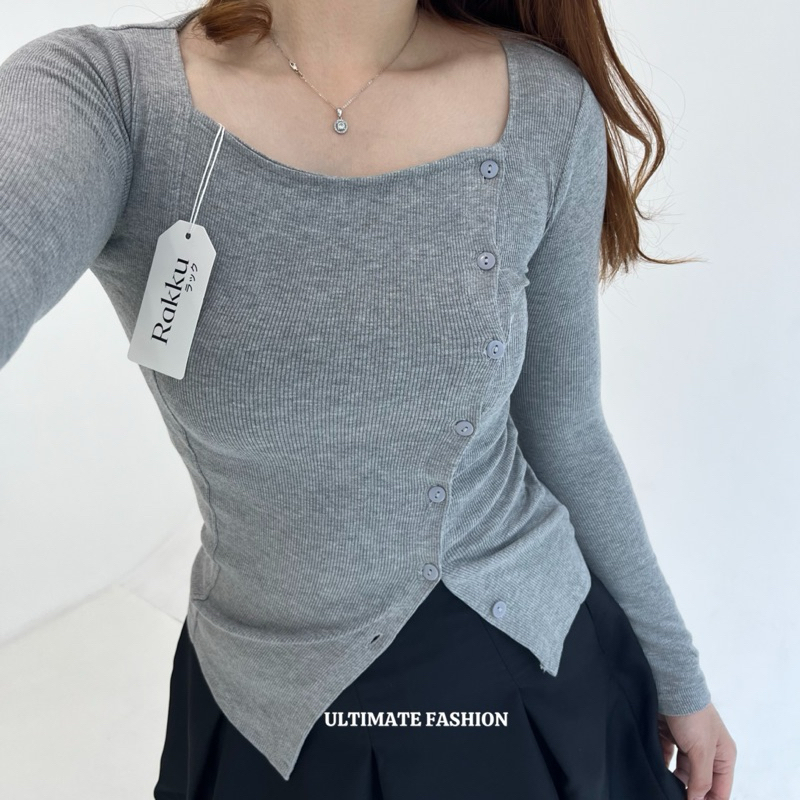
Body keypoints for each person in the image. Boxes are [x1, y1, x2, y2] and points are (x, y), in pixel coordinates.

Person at [0, 1, 737, 798]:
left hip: (532, 676)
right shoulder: (110, 95)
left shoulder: (546, 106)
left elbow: (566, 429)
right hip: (266, 708)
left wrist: (677, 673)